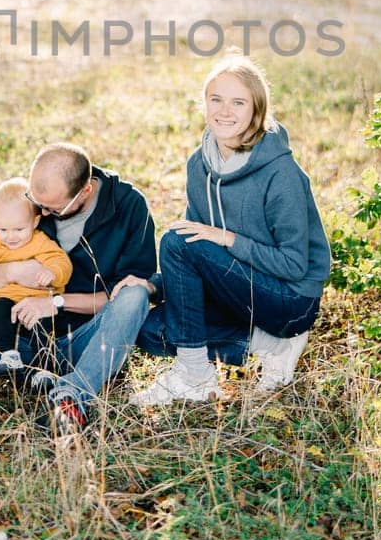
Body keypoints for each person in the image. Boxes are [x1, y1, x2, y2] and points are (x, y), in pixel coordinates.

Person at [0, 143, 156, 455]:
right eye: (36, 204)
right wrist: (11, 270)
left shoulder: (128, 206)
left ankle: (71, 398)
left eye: (52, 210)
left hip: (85, 341)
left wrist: (55, 302)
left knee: (135, 296)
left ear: (85, 192)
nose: (42, 213)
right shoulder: (31, 205)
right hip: (17, 339)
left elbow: (124, 297)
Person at [118, 55, 331, 406]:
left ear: (257, 110)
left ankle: (194, 377)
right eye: (216, 99)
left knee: (175, 241)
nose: (225, 111)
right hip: (238, 293)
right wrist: (151, 285)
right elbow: (196, 256)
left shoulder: (281, 173)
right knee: (149, 328)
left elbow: (294, 265)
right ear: (204, 104)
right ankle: (268, 345)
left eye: (238, 102)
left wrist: (228, 239)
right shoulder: (198, 165)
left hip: (289, 300)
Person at [0, 177, 74, 385]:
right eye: (2, 229)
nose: (10, 237)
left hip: (38, 301)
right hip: (8, 299)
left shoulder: (40, 241)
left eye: (19, 230)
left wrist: (53, 273)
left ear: (35, 222)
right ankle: (9, 355)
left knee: (44, 326)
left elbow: (61, 261)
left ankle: (45, 367)